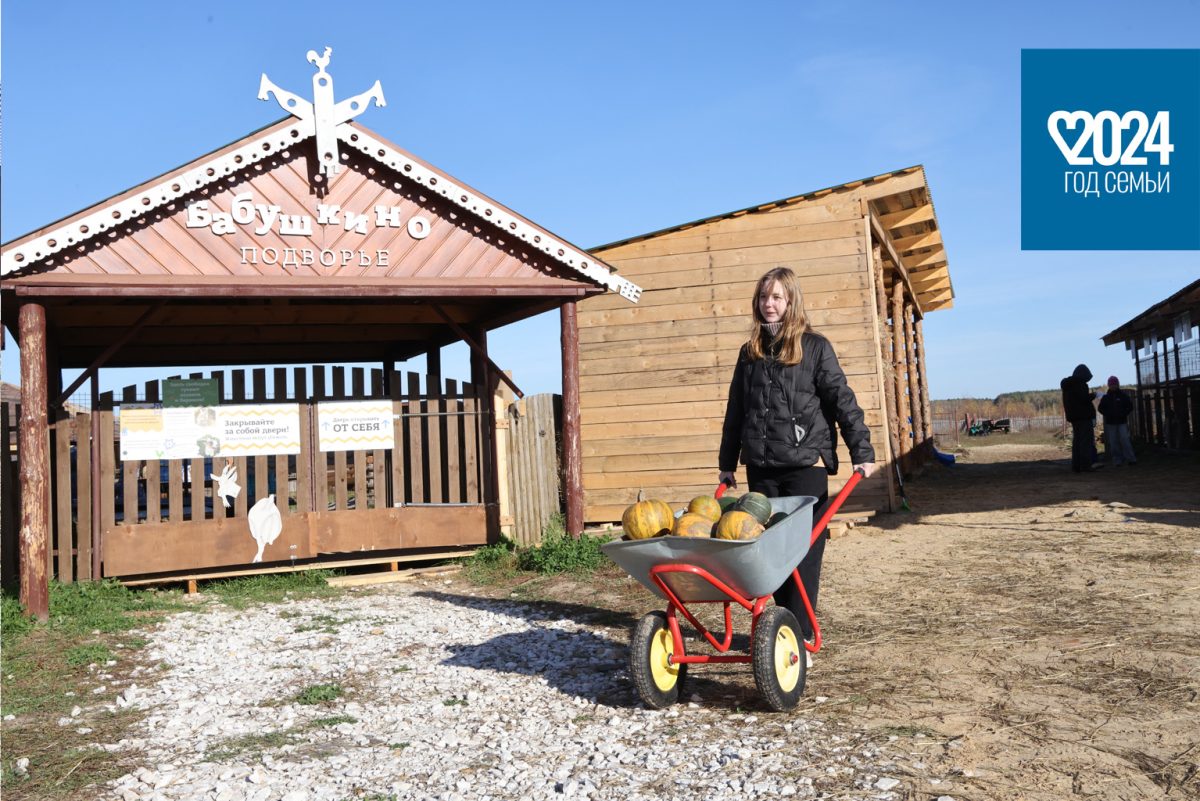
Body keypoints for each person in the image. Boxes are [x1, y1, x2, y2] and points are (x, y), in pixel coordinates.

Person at [717, 266, 876, 664]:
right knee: (769, 554)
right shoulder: (749, 352)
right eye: (763, 297)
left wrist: (862, 451)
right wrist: (727, 462)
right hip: (761, 466)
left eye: (776, 298)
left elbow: (843, 400)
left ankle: (801, 635)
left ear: (791, 302)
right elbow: (736, 409)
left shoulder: (814, 347)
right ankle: (780, 629)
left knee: (803, 553)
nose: (769, 304)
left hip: (805, 465)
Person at [1060, 364, 1098, 472]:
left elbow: (1077, 400)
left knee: (1077, 442)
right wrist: (1093, 395)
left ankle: (1076, 466)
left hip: (1074, 417)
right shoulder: (1080, 384)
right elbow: (1083, 399)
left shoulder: (1068, 385)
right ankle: (1085, 466)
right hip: (1083, 417)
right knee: (1085, 442)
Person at [1098, 376, 1136, 465]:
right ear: (1109, 385)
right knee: (1113, 442)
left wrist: (1124, 413)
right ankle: (1117, 459)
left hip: (1122, 421)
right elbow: (1100, 408)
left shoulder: (1123, 396)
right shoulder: (1106, 398)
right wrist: (1108, 414)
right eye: (1111, 385)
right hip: (1111, 423)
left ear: (1118, 385)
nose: (1113, 386)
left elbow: (1130, 406)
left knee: (1125, 439)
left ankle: (1131, 458)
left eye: (1115, 384)